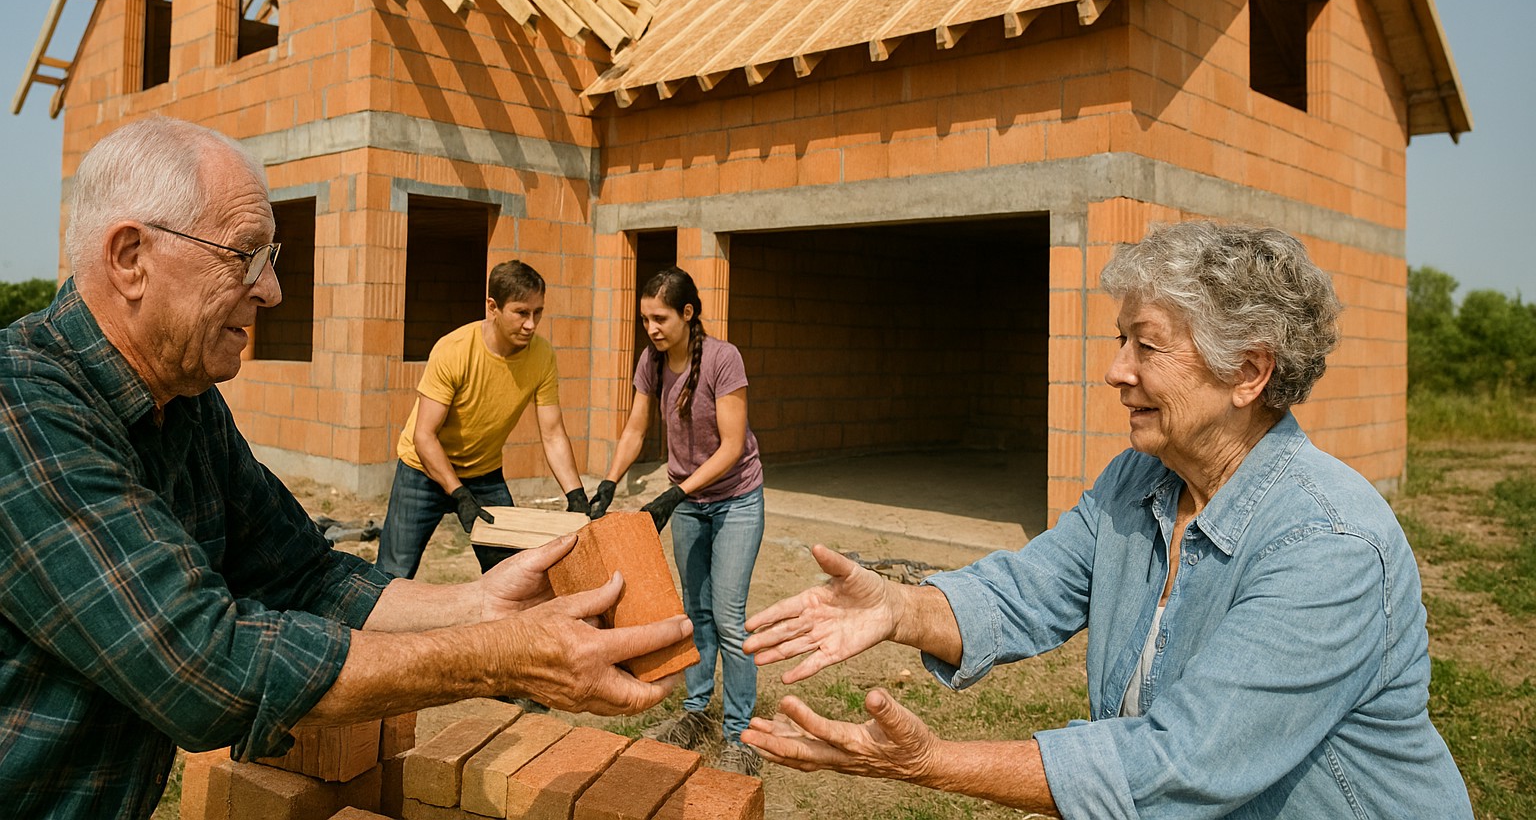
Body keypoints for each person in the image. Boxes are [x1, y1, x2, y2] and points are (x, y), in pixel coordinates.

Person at [0, 118, 689, 820]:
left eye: (270, 258)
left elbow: (305, 574)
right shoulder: (19, 408)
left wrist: (478, 606)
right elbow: (206, 668)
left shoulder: (185, 403)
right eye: (243, 256)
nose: (269, 290)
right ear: (130, 258)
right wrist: (501, 655)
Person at [740, 221, 1473, 819]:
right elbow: (1028, 591)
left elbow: (1180, 764)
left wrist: (932, 765)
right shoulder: (1140, 481)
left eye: (1146, 345)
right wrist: (899, 605)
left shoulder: (1329, 545)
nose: (1116, 370)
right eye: (1120, 341)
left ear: (1248, 372)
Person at [590, 266, 766, 775]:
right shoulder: (651, 360)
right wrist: (609, 480)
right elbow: (635, 426)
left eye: (660, 317)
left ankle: (740, 735)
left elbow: (732, 448)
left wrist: (673, 495)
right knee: (695, 612)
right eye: (645, 319)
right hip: (689, 502)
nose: (652, 328)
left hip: (735, 500)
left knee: (730, 618)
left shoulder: (722, 359)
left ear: (688, 314)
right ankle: (695, 713)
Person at [375, 258, 590, 580]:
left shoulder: (542, 355)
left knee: (511, 572)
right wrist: (458, 494)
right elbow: (424, 436)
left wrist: (576, 495)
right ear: (493, 306)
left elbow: (553, 433)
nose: (531, 324)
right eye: (521, 313)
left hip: (484, 473)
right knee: (393, 572)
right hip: (422, 472)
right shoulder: (454, 350)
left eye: (538, 312)